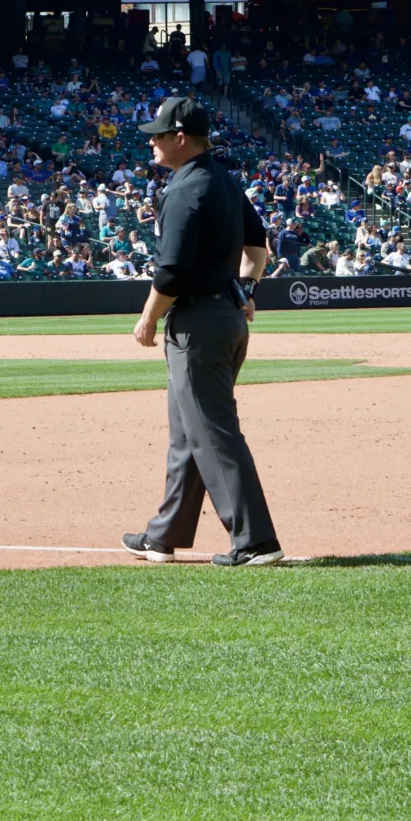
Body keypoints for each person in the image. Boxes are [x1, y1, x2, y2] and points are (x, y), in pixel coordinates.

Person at [121, 97, 284, 567]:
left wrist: (149, 317)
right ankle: (163, 535)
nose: (150, 142)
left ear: (179, 137)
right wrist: (246, 286)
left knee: (212, 431)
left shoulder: (186, 189)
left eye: (157, 134)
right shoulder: (223, 181)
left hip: (197, 325)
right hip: (226, 319)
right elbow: (258, 244)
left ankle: (255, 541)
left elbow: (170, 272)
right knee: (188, 431)